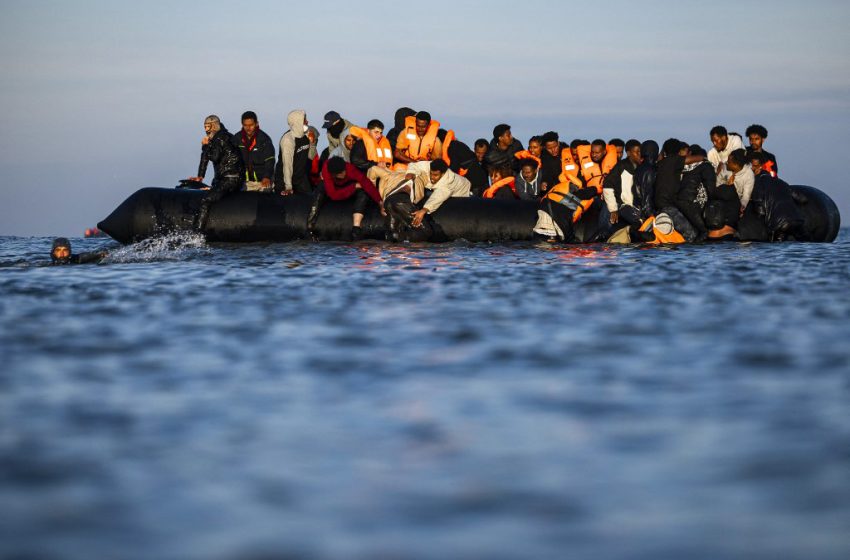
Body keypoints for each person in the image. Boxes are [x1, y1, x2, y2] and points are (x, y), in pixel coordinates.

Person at [188, 115, 244, 230]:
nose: (206, 130)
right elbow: (206, 158)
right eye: (205, 127)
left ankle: (197, 232)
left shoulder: (221, 138)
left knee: (205, 200)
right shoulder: (216, 138)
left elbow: (214, 157)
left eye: (208, 127)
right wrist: (200, 176)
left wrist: (205, 147)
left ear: (214, 126)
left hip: (231, 179)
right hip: (225, 179)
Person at [307, 156, 383, 240]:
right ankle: (310, 224)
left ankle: (356, 228)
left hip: (346, 186)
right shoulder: (327, 170)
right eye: (340, 173)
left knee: (363, 191)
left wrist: (380, 202)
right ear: (333, 174)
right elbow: (333, 195)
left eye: (344, 171)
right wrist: (353, 187)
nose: (344, 173)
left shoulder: (349, 169)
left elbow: (367, 184)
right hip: (334, 188)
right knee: (320, 188)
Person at [401, 159, 472, 232]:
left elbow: (438, 196)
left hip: (462, 190)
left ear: (443, 174)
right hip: (437, 189)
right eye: (431, 174)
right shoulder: (428, 165)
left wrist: (424, 210)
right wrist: (410, 173)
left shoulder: (448, 181)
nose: (432, 177)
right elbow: (414, 165)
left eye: (435, 175)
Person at [748, 152, 803, 241]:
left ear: (761, 166)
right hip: (797, 221)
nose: (751, 168)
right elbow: (802, 199)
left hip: (779, 225)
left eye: (754, 166)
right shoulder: (781, 182)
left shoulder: (757, 183)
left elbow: (760, 210)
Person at [677, 144, 715, 241]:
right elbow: (710, 186)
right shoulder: (706, 165)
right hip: (697, 202)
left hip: (680, 202)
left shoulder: (681, 166)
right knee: (703, 232)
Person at [602, 139, 642, 227]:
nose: (640, 154)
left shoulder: (642, 168)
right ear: (628, 153)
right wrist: (613, 209)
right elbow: (607, 185)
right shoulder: (621, 167)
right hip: (623, 207)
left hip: (636, 208)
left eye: (640, 152)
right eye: (637, 152)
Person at [233, 111, 275, 192]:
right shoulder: (236, 139)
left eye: (251, 125)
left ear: (256, 123)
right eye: (245, 125)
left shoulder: (264, 139)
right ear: (242, 125)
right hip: (245, 182)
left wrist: (267, 177)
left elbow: (270, 160)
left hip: (262, 181)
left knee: (265, 194)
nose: (248, 128)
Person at [438, 129, 488, 197]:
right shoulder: (459, 144)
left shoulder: (452, 147)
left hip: (476, 186)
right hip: (482, 182)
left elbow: (454, 168)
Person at [275, 110, 313, 195]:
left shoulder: (308, 135)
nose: (307, 122)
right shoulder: (288, 140)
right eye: (304, 120)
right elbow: (287, 164)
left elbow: (311, 156)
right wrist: (288, 187)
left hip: (301, 180)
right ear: (297, 122)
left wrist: (313, 143)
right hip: (284, 180)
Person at [724, 148, 755, 216]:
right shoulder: (724, 168)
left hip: (737, 203)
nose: (726, 163)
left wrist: (741, 207)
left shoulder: (749, 175)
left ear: (736, 165)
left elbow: (746, 196)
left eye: (729, 162)